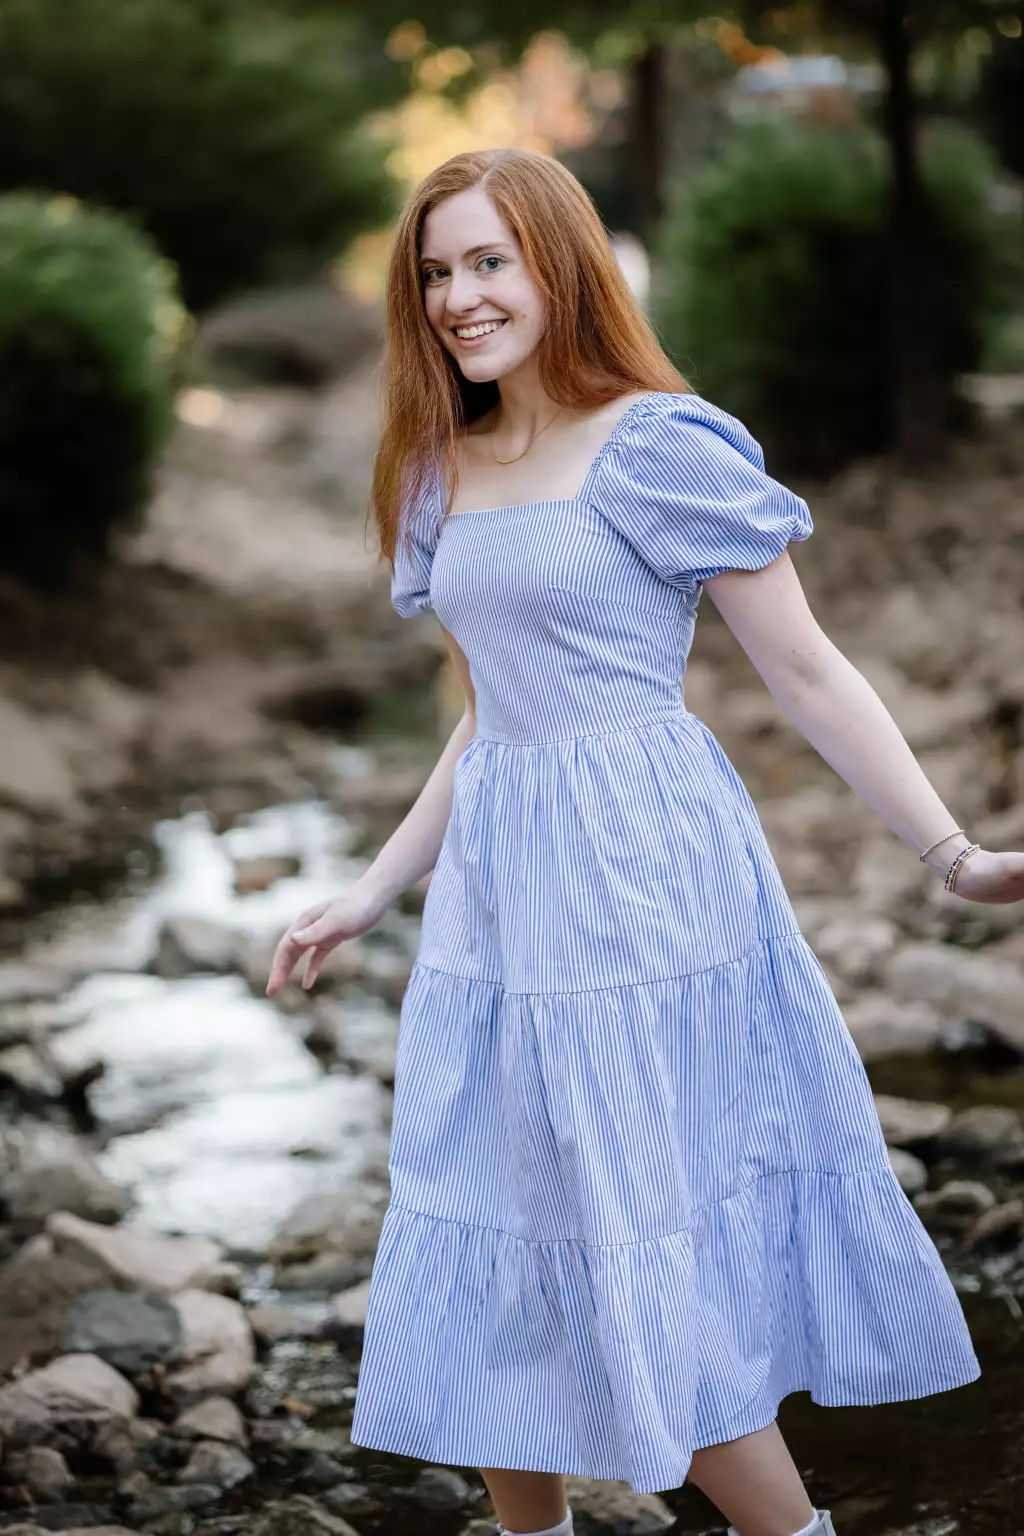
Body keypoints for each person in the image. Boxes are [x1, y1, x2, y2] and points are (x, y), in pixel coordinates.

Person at [265, 147, 1024, 1536]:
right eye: (435, 271)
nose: (457, 296)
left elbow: (808, 671)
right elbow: (492, 712)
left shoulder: (658, 443)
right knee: (495, 1210)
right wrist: (374, 888)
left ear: (559, 262)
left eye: (489, 261)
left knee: (629, 1217)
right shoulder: (440, 459)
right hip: (502, 894)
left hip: (641, 881)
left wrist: (949, 853)